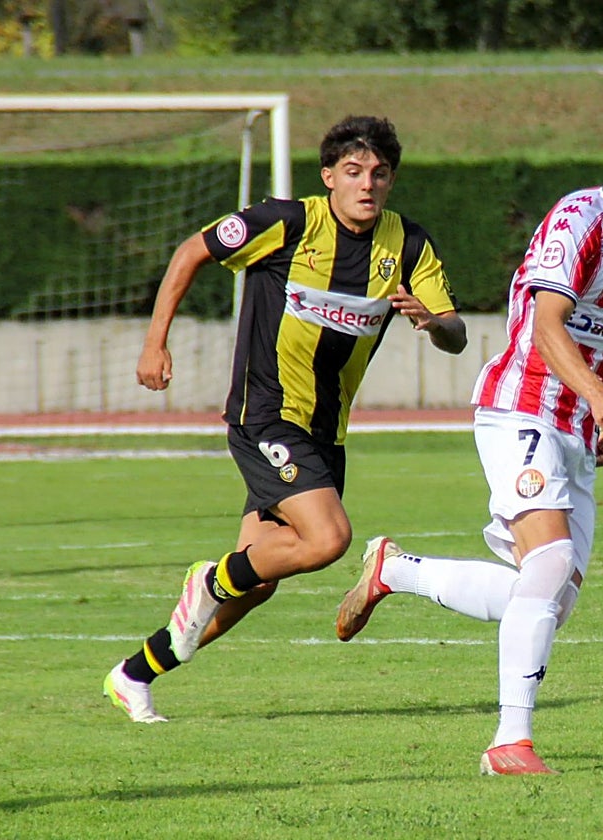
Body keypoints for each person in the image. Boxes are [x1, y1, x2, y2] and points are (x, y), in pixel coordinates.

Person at [335, 108, 603, 775]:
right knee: (547, 564)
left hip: (575, 428)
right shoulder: (579, 220)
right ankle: (510, 742)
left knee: (549, 599)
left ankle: (397, 570)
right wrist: (601, 397)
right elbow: (546, 323)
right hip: (522, 409)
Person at [103, 115, 467, 723]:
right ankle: (211, 578)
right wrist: (153, 342)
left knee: (261, 580)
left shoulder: (408, 245)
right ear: (329, 177)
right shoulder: (286, 222)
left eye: (379, 174)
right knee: (328, 540)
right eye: (353, 172)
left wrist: (433, 322)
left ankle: (134, 673)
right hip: (267, 415)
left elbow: (456, 332)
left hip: (327, 434)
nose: (367, 184)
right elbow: (193, 249)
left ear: (391, 181)